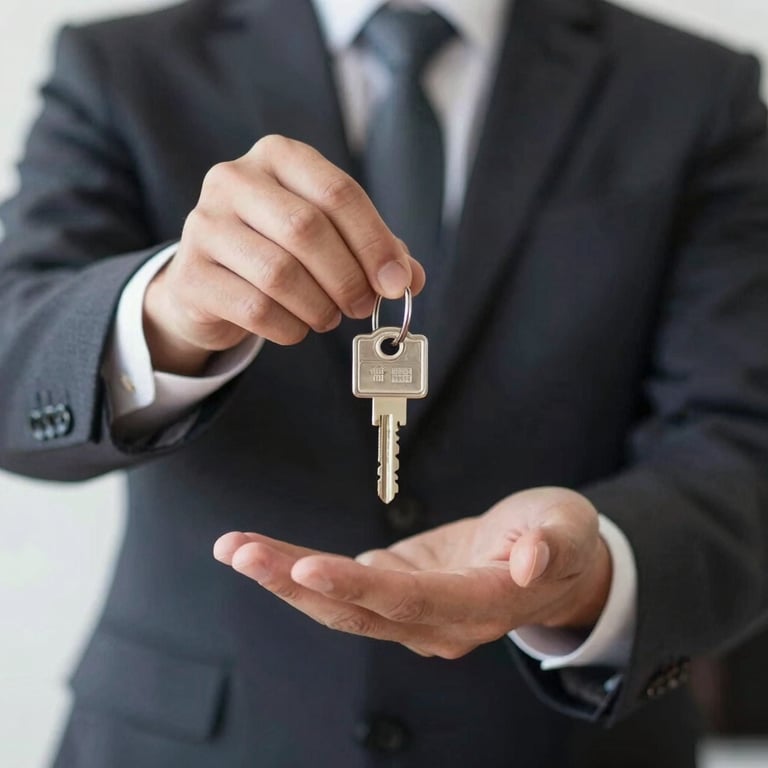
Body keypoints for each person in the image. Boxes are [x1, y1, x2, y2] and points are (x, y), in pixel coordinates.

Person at [1, 0, 767, 766]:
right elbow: (15, 374)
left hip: (558, 741)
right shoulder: (122, 63)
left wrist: (596, 569)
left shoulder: (696, 87)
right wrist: (167, 309)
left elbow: (742, 439)